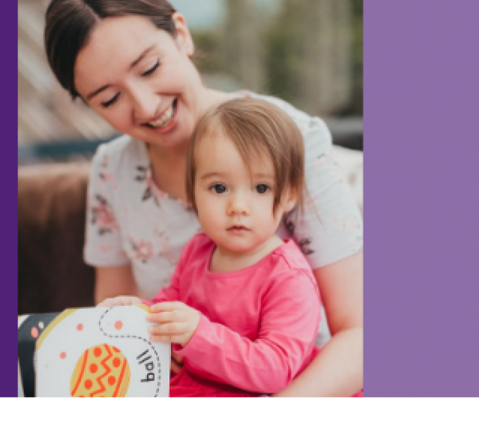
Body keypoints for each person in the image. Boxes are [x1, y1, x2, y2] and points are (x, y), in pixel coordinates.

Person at [44, 0, 363, 399]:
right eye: (108, 99)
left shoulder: (293, 139)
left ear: (181, 33)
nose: (145, 105)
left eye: (150, 68)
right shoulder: (111, 171)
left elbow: (360, 336)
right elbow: (121, 328)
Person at [100, 98, 322, 399]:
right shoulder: (198, 250)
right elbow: (168, 307)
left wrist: (197, 335)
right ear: (193, 194)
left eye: (261, 188)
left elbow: (277, 370)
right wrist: (138, 314)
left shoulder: (288, 276)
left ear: (289, 195)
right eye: (219, 188)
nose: (238, 207)